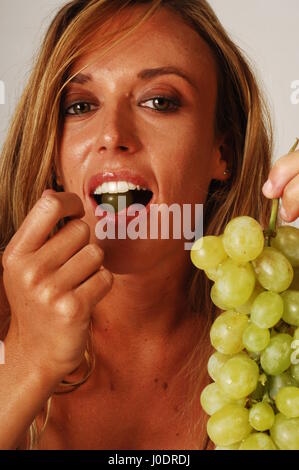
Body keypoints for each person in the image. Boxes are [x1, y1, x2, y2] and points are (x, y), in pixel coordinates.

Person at [0, 0, 298, 451]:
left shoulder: (281, 341)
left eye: (159, 101)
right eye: (80, 105)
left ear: (225, 152)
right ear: (54, 151)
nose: (111, 135)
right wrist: (24, 367)